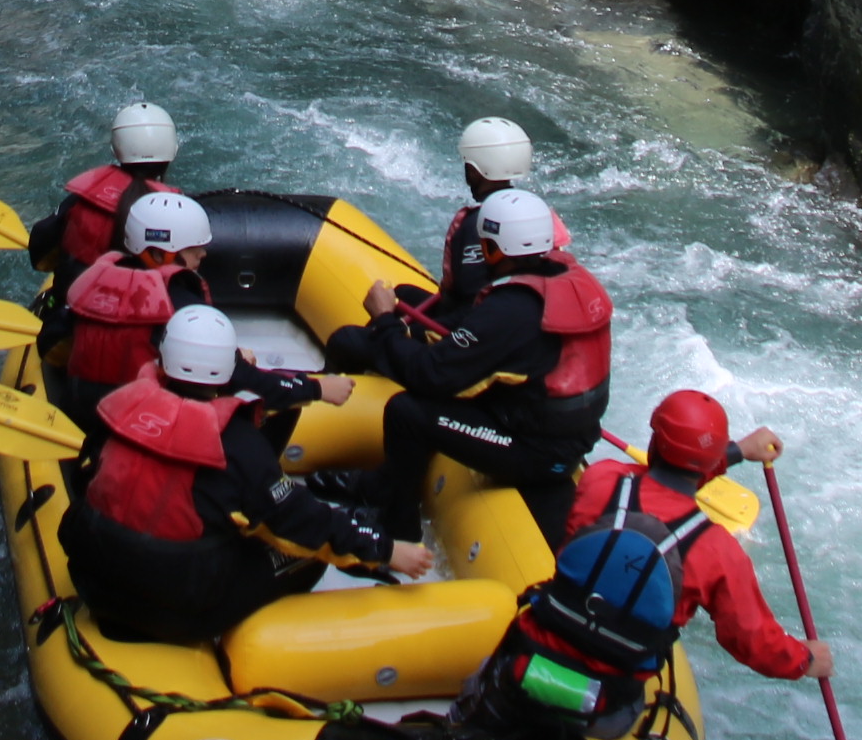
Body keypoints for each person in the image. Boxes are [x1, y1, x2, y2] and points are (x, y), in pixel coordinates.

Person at [64, 306, 436, 645]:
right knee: (309, 553)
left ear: (163, 360)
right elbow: (303, 521)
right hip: (177, 611)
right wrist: (385, 550)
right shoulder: (236, 445)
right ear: (228, 370)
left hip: (95, 582)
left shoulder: (121, 409)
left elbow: (87, 479)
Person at [320, 186, 610, 546]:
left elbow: (427, 375)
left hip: (536, 453)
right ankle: (380, 485)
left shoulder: (511, 311)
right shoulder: (572, 281)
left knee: (406, 412)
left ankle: (397, 527)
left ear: (496, 250)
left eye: (486, 247)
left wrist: (384, 321)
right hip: (553, 429)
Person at [557, 388, 827, 685]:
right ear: (711, 463)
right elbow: (753, 640)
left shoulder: (602, 478)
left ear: (654, 442)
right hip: (614, 689)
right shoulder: (717, 550)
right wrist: (806, 659)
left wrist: (737, 451)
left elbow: (653, 481)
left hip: (542, 643)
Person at [48, 189, 211, 428]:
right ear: (158, 253)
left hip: (77, 413)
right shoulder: (183, 305)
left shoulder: (90, 283)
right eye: (192, 247)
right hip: (141, 423)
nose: (203, 253)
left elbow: (50, 346)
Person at [27, 101, 178, 279]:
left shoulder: (82, 199)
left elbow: (39, 252)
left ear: (116, 150)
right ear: (172, 151)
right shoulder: (178, 211)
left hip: (76, 296)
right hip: (145, 299)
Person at [428, 115, 561, 308]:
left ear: (473, 171)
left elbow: (458, 288)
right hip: (525, 312)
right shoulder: (539, 215)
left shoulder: (472, 221)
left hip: (471, 322)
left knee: (402, 293)